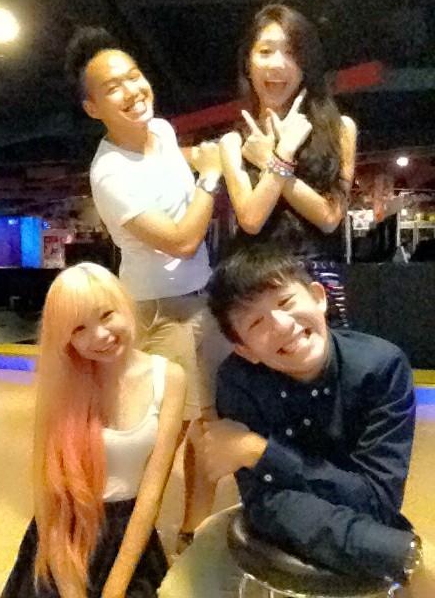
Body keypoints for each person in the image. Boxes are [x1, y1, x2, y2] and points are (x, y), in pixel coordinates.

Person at [158, 245, 422, 597]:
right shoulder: (239, 381)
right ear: (245, 349)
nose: (282, 326)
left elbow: (377, 502)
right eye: (256, 322)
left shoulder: (381, 368)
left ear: (318, 297)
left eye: (285, 302)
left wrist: (260, 452)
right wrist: (395, 551)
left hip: (360, 532)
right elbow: (267, 505)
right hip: (348, 540)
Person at [65, 28, 231, 546]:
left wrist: (203, 155)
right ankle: (126, 533)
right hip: (159, 308)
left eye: (134, 76)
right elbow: (181, 240)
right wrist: (210, 176)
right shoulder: (110, 174)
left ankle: (191, 531)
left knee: (205, 423)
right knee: (168, 431)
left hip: (201, 297)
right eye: (112, 87)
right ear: (93, 108)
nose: (132, 90)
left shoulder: (160, 129)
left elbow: (174, 163)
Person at [1, 263, 185, 598]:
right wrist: (70, 586)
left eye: (106, 315)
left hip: (130, 538)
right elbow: (48, 493)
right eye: (78, 328)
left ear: (125, 305)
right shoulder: (63, 383)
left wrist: (115, 588)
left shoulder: (169, 378)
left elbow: (151, 494)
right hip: (65, 535)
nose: (99, 335)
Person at [220, 4, 357, 326]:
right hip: (257, 284)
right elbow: (251, 220)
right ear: (248, 63)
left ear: (306, 64)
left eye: (292, 53)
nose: (278, 64)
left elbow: (329, 218)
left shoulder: (340, 129)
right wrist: (282, 154)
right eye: (266, 51)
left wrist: (271, 160)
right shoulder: (233, 142)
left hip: (317, 282)